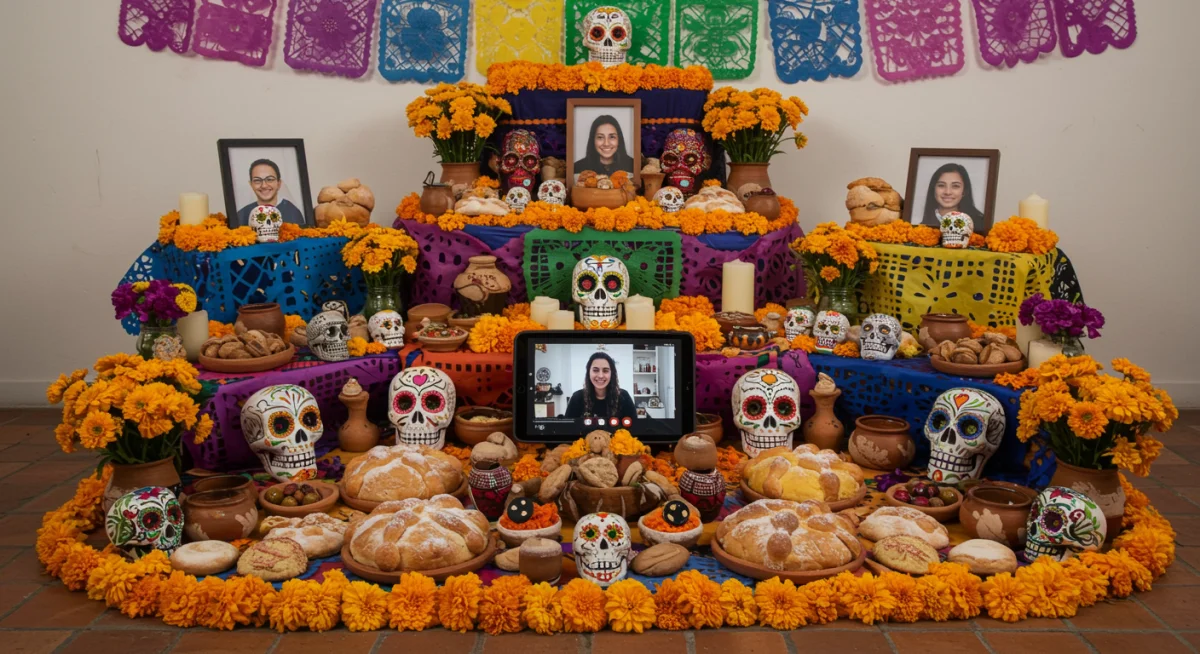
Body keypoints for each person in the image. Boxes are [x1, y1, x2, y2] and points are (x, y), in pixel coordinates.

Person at [564, 352, 636, 421]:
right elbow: (568, 428)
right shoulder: (577, 398)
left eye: (605, 371)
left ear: (612, 374)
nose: (600, 376)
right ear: (589, 372)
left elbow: (635, 428)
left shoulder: (624, 397)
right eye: (595, 370)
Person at [236, 159, 307, 227]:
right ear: (251, 184)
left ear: (279, 183)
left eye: (270, 179)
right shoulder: (241, 215)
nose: (264, 185)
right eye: (257, 180)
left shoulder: (293, 212)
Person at [920, 163, 985, 229]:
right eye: (941, 185)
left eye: (955, 186)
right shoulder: (919, 229)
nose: (948, 192)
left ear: (964, 191)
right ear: (933, 189)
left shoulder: (981, 224)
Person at [573, 115, 636, 179]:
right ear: (593, 140)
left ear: (619, 139)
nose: (606, 143)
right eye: (600, 137)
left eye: (612, 137)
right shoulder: (577, 169)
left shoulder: (633, 167)